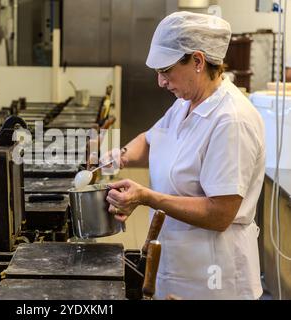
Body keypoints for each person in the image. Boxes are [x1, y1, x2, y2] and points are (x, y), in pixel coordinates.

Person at [105, 11, 265, 300]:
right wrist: (117, 157)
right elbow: (153, 141)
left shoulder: (231, 120)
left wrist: (146, 197)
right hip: (178, 267)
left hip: (215, 278)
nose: (160, 82)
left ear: (198, 61)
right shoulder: (185, 104)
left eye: (165, 71)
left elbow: (220, 213)